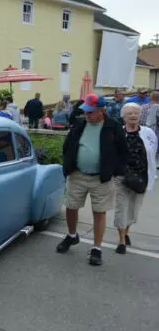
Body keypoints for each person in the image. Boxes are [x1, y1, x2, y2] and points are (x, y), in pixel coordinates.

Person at [56, 93, 128, 266]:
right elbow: (67, 146)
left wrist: (113, 171)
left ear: (101, 110)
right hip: (78, 174)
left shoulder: (114, 126)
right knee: (71, 207)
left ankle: (97, 248)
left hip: (101, 178)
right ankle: (72, 236)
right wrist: (69, 167)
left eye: (91, 112)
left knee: (99, 212)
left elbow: (123, 152)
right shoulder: (80, 123)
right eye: (85, 112)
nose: (87, 115)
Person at [113, 103, 157, 254]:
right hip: (121, 177)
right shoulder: (118, 132)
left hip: (141, 177)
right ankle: (121, 241)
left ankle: (126, 232)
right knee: (121, 208)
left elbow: (153, 151)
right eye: (130, 113)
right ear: (124, 116)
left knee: (133, 209)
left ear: (140, 116)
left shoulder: (148, 133)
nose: (133, 116)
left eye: (136, 114)